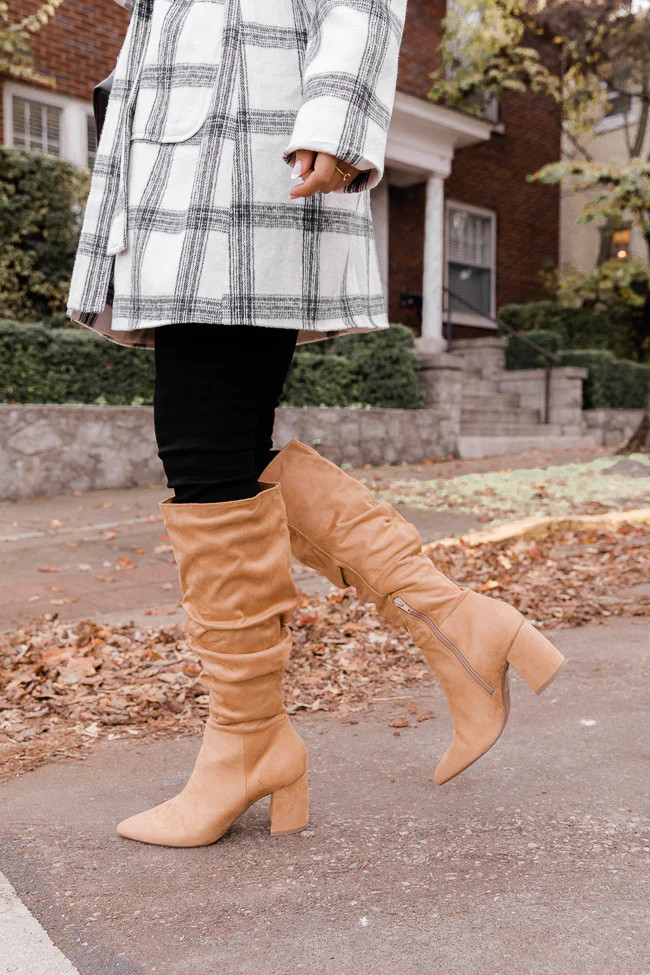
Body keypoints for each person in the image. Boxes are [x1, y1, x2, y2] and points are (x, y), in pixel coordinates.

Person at [66, 0, 565, 849]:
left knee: (208, 453)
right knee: (219, 452)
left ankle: (252, 741)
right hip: (179, 157)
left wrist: (337, 112)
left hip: (250, 146)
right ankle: (455, 628)